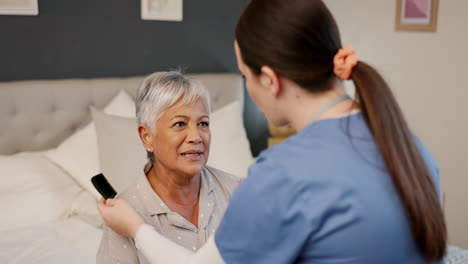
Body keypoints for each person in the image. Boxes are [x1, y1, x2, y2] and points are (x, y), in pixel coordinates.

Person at [98, 1, 447, 263]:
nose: (196, 135)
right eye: (179, 123)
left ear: (269, 79)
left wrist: (135, 228)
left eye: (245, 76)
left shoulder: (280, 174)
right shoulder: (406, 146)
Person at [96, 71, 240, 264]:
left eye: (203, 123)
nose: (196, 137)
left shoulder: (236, 192)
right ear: (147, 137)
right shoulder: (123, 216)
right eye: (180, 124)